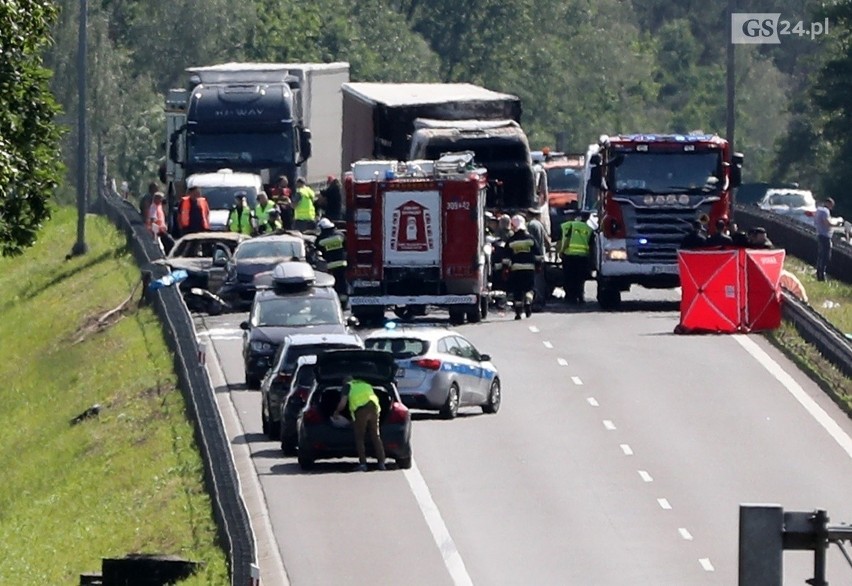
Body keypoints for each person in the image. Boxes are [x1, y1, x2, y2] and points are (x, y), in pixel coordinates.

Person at [333, 375, 386, 472]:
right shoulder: (365, 384)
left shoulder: (348, 386)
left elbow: (343, 403)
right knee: (375, 436)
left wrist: (336, 412)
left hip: (361, 410)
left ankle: (363, 464)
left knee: (359, 437)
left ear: (345, 382)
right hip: (374, 408)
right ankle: (381, 463)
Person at [503, 215, 542, 320]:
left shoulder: (511, 241)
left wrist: (506, 269)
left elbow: (506, 257)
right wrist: (538, 266)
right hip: (529, 269)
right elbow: (538, 254)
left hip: (516, 270)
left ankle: (518, 313)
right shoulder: (531, 239)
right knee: (529, 289)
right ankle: (528, 302)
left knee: (518, 291)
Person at [559, 210, 594, 304]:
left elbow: (566, 239)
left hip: (569, 256)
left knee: (569, 277)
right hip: (583, 257)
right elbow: (592, 246)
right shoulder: (590, 229)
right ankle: (580, 296)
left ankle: (570, 297)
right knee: (580, 279)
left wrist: (561, 251)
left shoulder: (571, 225)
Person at [316, 217, 348, 308]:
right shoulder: (339, 235)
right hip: (342, 263)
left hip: (330, 266)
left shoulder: (321, 239)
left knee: (332, 285)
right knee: (342, 284)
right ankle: (344, 303)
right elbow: (346, 246)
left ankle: (334, 303)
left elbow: (317, 248)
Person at [525, 207, 551, 311]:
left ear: (529, 214)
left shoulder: (530, 225)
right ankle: (541, 299)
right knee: (540, 279)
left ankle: (536, 301)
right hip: (541, 255)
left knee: (534, 279)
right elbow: (547, 241)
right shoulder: (540, 224)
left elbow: (529, 241)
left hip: (533, 255)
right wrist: (548, 251)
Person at [814, 197, 835, 281]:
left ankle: (819, 273)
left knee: (821, 256)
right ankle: (822, 275)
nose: (831, 207)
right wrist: (836, 224)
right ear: (829, 204)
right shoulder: (825, 211)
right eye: (831, 205)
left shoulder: (819, 210)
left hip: (819, 234)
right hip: (825, 236)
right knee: (826, 256)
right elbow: (827, 223)